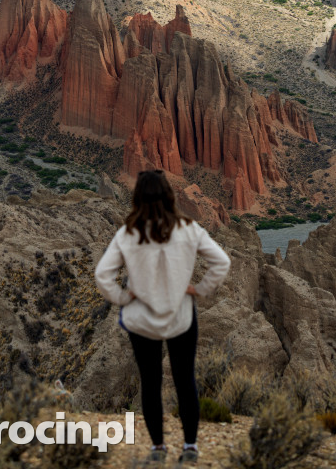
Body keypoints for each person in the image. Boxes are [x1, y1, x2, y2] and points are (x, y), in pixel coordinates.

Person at [94, 169, 231, 465]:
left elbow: (103, 275)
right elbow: (221, 261)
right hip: (181, 317)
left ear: (138, 197)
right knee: (185, 382)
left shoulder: (128, 233)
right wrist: (199, 288)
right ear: (169, 195)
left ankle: (158, 447)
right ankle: (190, 447)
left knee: (151, 383)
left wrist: (122, 296)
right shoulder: (188, 229)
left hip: (141, 320)